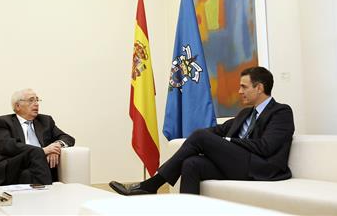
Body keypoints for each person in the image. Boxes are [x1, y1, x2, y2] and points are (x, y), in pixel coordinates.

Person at [110, 66, 295, 195]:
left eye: (244, 87)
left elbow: (266, 147)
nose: (239, 91)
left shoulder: (281, 112)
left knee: (200, 137)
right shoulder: (245, 114)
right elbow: (217, 131)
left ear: (260, 88)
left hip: (261, 169)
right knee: (191, 163)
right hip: (238, 166)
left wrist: (226, 142)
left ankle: (152, 184)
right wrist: (195, 143)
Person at [0, 88, 75, 186]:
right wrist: (43, 151)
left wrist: (56, 146)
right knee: (36, 153)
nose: (36, 104)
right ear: (18, 106)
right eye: (31, 100)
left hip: (36, 168)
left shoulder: (45, 121)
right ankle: (48, 194)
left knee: (27, 175)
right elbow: (6, 145)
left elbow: (68, 138)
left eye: (37, 100)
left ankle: (42, 195)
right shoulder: (3, 122)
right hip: (13, 166)